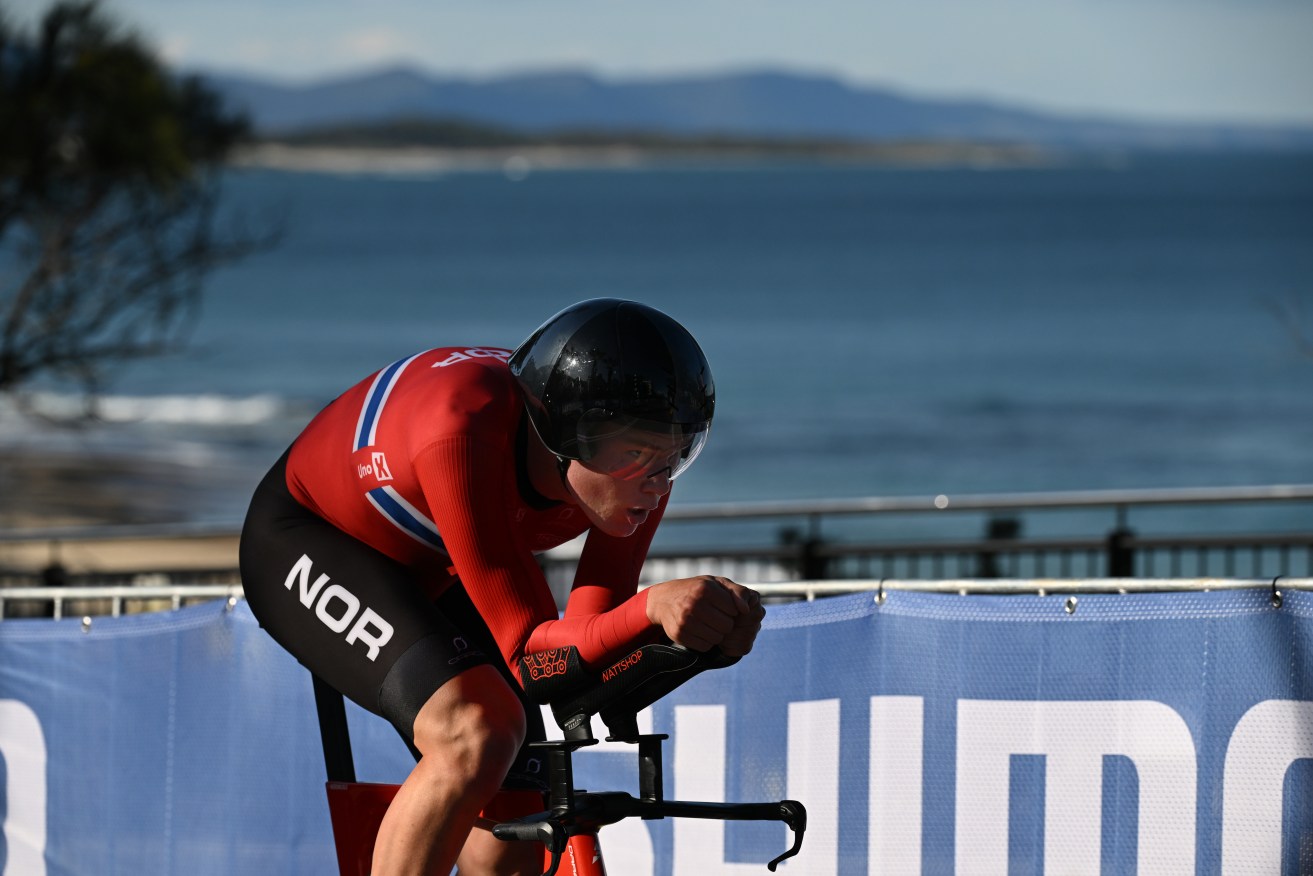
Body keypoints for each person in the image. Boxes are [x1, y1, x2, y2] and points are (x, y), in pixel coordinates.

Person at [239, 298, 765, 876]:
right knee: (476, 730)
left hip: (439, 558)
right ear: (568, 436)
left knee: (514, 828)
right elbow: (532, 658)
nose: (657, 482)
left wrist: (695, 642)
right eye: (637, 454)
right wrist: (652, 609)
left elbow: (577, 655)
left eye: (676, 456)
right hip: (312, 535)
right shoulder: (461, 431)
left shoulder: (631, 480)